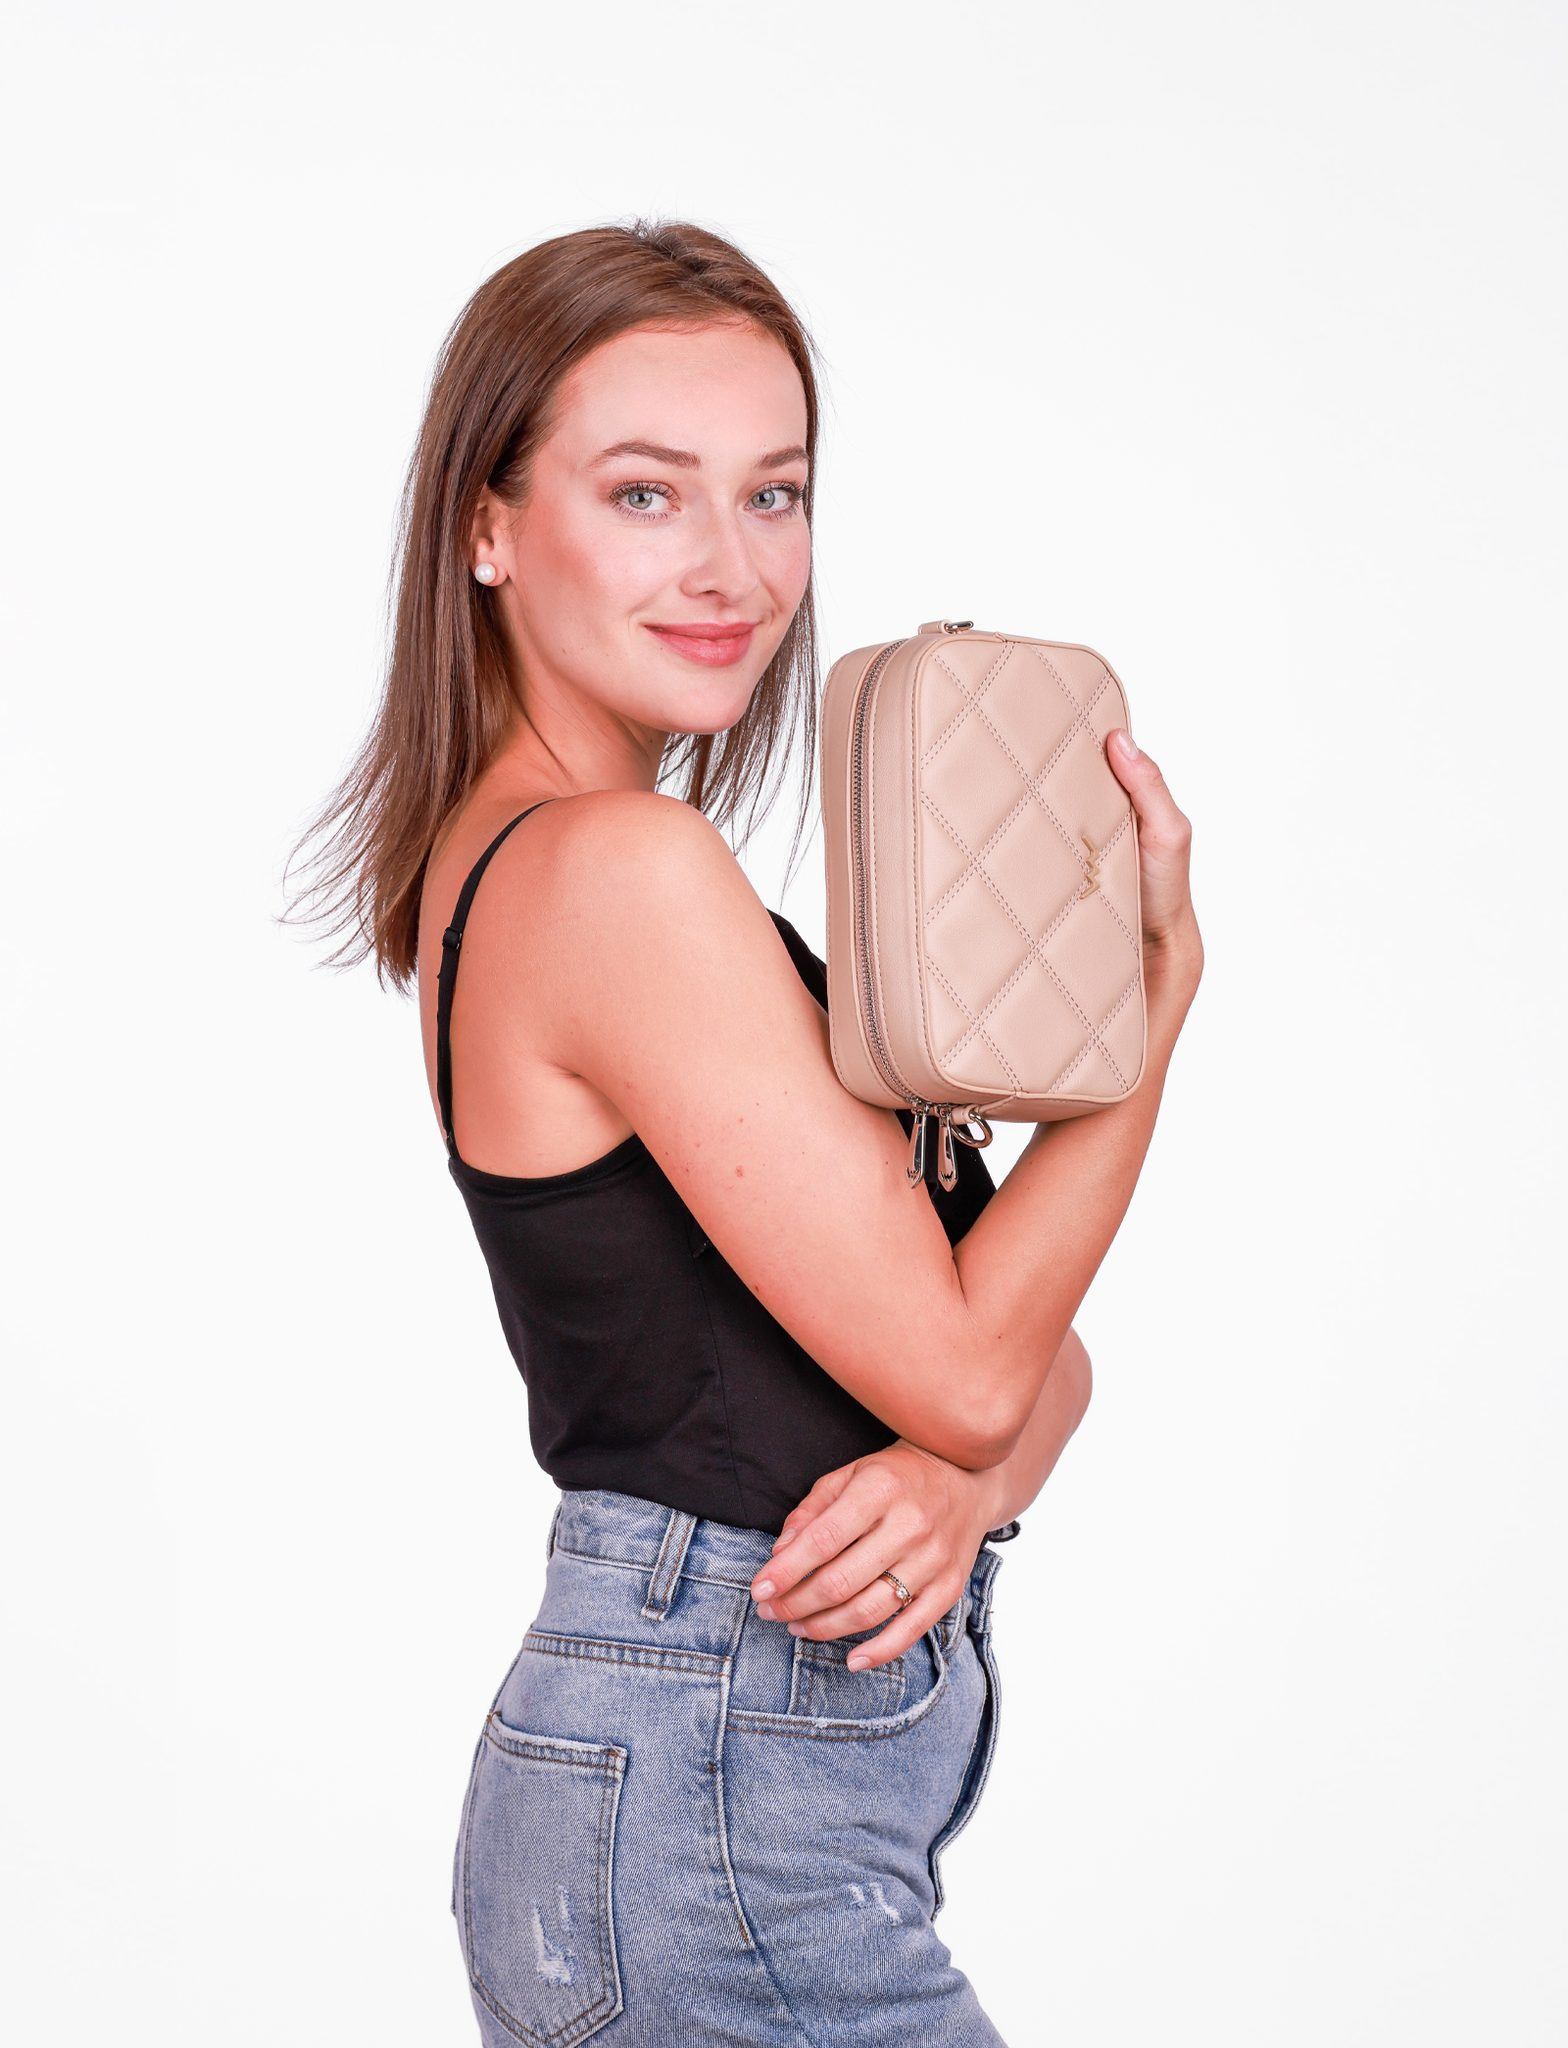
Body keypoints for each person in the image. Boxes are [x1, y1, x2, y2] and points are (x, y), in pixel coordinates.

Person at [286, 218, 1203, 2046]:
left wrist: (959, 1482)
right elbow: (973, 1368)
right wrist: (1154, 1007)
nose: (732, 566)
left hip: (710, 1792)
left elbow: (1034, 1364)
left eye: (773, 494)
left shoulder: (569, 861)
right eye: (646, 494)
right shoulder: (618, 871)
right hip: (719, 1809)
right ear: (486, 526)